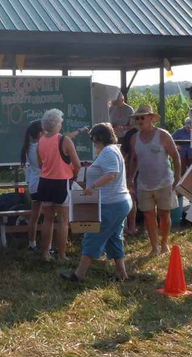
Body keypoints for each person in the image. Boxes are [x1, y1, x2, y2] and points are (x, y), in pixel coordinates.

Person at [60, 123, 132, 282]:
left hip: (110, 204)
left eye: (93, 138)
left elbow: (112, 174)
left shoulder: (108, 152)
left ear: (99, 137)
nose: (92, 142)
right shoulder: (113, 150)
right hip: (119, 202)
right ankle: (122, 275)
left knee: (92, 236)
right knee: (113, 238)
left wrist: (92, 186)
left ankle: (79, 275)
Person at [127, 105, 181, 256]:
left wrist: (177, 177)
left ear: (151, 118)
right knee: (148, 215)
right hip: (144, 183)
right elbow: (134, 159)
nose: (139, 120)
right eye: (137, 118)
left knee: (164, 214)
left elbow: (175, 156)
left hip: (164, 181)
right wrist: (130, 179)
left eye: (142, 117)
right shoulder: (134, 138)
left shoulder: (162, 135)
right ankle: (154, 247)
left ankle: (164, 243)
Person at [37, 108, 82, 262]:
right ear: (56, 123)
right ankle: (62, 255)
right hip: (62, 182)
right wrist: (75, 175)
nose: (62, 124)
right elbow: (77, 164)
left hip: (44, 182)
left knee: (47, 219)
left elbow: (39, 163)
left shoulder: (41, 140)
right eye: (61, 121)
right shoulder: (64, 140)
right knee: (63, 221)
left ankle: (45, 253)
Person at [21, 120, 44, 251]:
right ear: (40, 133)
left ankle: (32, 243)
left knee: (34, 216)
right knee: (49, 217)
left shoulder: (29, 147)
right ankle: (48, 245)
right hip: (44, 183)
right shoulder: (41, 147)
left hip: (34, 184)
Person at [120, 119, 140, 235]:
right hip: (133, 169)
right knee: (133, 196)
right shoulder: (130, 134)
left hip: (140, 170)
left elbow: (124, 154)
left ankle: (136, 227)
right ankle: (133, 226)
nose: (140, 120)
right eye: (138, 118)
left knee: (134, 196)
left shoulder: (159, 134)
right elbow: (124, 153)